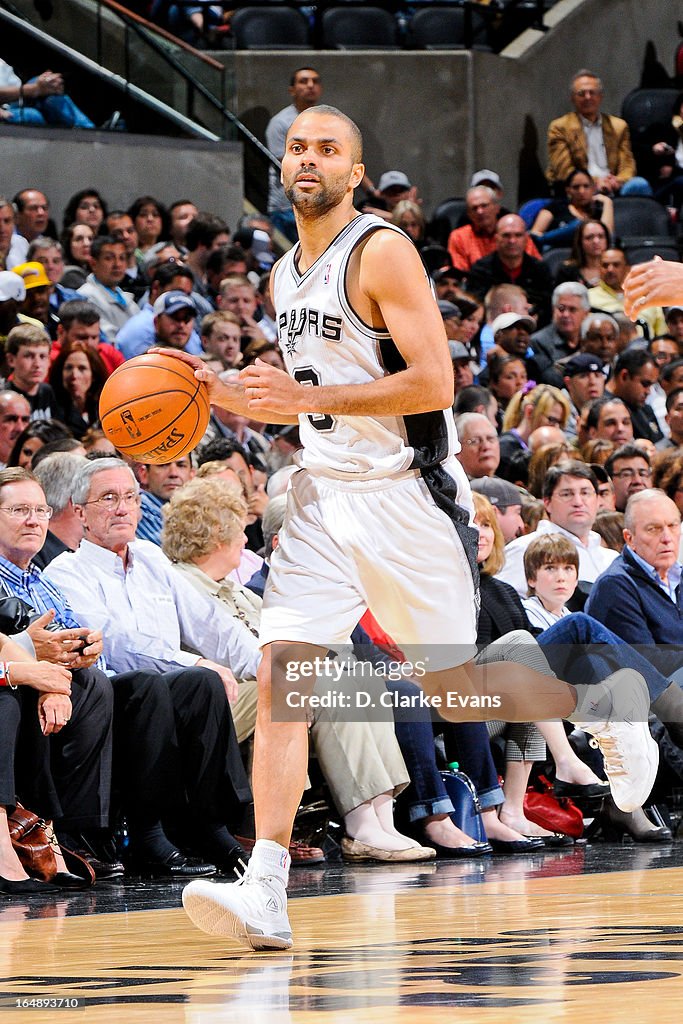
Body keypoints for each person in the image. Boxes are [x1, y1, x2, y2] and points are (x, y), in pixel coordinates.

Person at [167, 105, 657, 951]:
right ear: (281, 167)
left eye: (328, 149)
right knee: (285, 679)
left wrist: (303, 400)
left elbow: (432, 382)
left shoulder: (379, 248)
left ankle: (611, 703)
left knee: (448, 687)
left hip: (406, 492)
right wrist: (236, 392)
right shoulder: (285, 272)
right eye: (297, 147)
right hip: (324, 494)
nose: (308, 159)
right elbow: (317, 389)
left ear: (355, 172)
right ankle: (267, 888)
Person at [546, 69, 651, 196]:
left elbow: (627, 165)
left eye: (592, 92)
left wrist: (619, 180)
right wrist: (594, 182)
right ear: (572, 98)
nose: (588, 97)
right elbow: (564, 171)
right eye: (581, 93)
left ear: (600, 96)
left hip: (613, 186)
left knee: (639, 184)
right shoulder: (560, 127)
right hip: (580, 189)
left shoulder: (618, 126)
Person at [265, 67, 323, 243]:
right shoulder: (280, 123)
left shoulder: (327, 120)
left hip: (318, 203)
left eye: (315, 81)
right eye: (304, 81)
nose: (311, 85)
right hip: (287, 205)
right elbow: (287, 163)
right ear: (292, 90)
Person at [77, 236, 140, 343]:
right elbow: (108, 339)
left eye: (122, 258)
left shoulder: (125, 297)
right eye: (109, 258)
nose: (117, 264)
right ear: (93, 263)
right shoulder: (85, 296)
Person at [531, 169, 614, 250]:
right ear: (568, 190)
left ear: (593, 188)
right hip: (558, 254)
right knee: (577, 225)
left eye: (586, 186)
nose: (581, 191)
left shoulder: (598, 211)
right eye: (576, 187)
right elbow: (534, 235)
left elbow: (607, 236)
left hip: (587, 255)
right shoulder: (556, 207)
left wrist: (608, 203)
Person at [0, 62, 94, 128]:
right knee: (33, 115)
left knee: (49, 85)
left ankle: (91, 133)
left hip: (15, 102)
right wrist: (35, 89)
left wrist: (43, 84)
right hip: (4, 113)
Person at [554, 219, 611, 290]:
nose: (596, 241)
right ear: (580, 242)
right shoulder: (567, 270)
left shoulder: (616, 268)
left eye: (601, 236)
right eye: (589, 237)